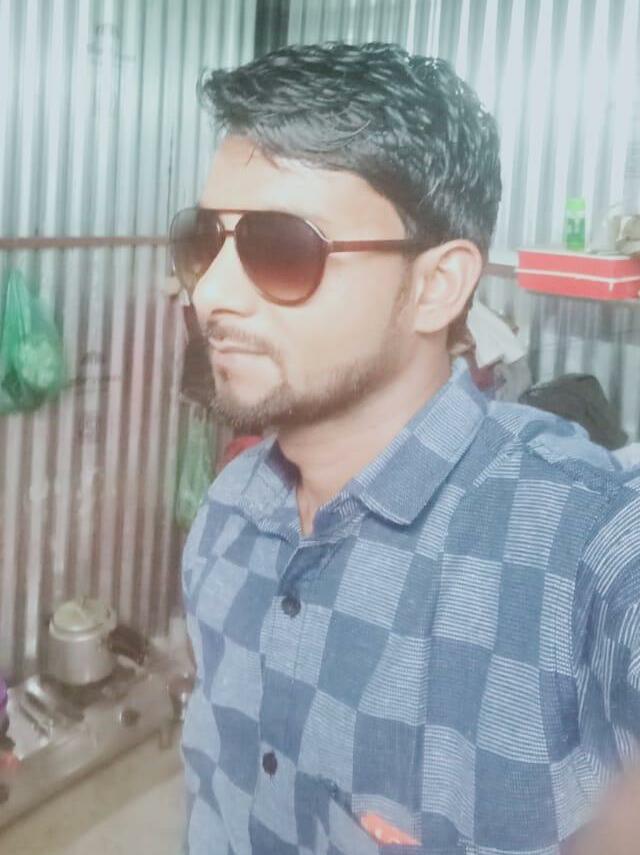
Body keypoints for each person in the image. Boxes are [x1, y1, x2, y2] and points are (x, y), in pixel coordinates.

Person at [172, 42, 640, 855]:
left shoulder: (579, 544)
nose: (209, 292)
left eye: (281, 247)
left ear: (435, 286)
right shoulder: (226, 516)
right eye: (204, 240)